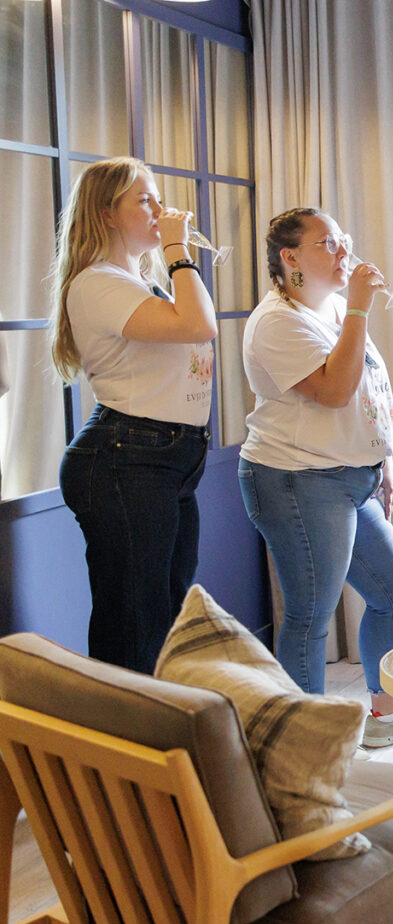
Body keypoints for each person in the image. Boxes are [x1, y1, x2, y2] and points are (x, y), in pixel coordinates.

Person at [239, 207, 393, 748]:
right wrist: (361, 310)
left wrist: (382, 460)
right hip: (297, 479)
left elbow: (368, 393)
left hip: (351, 476)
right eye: (327, 243)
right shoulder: (277, 321)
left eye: (343, 238)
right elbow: (334, 390)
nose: (343, 249)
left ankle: (385, 711)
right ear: (291, 258)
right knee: (310, 614)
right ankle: (301, 745)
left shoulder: (332, 310)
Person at [51, 157, 217, 674]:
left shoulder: (138, 283)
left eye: (157, 197)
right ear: (106, 214)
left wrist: (172, 256)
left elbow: (193, 325)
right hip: (127, 458)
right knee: (134, 624)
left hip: (165, 458)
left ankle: (156, 744)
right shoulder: (98, 282)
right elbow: (199, 325)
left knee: (168, 617)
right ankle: (121, 750)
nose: (160, 208)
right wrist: (176, 249)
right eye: (143, 199)